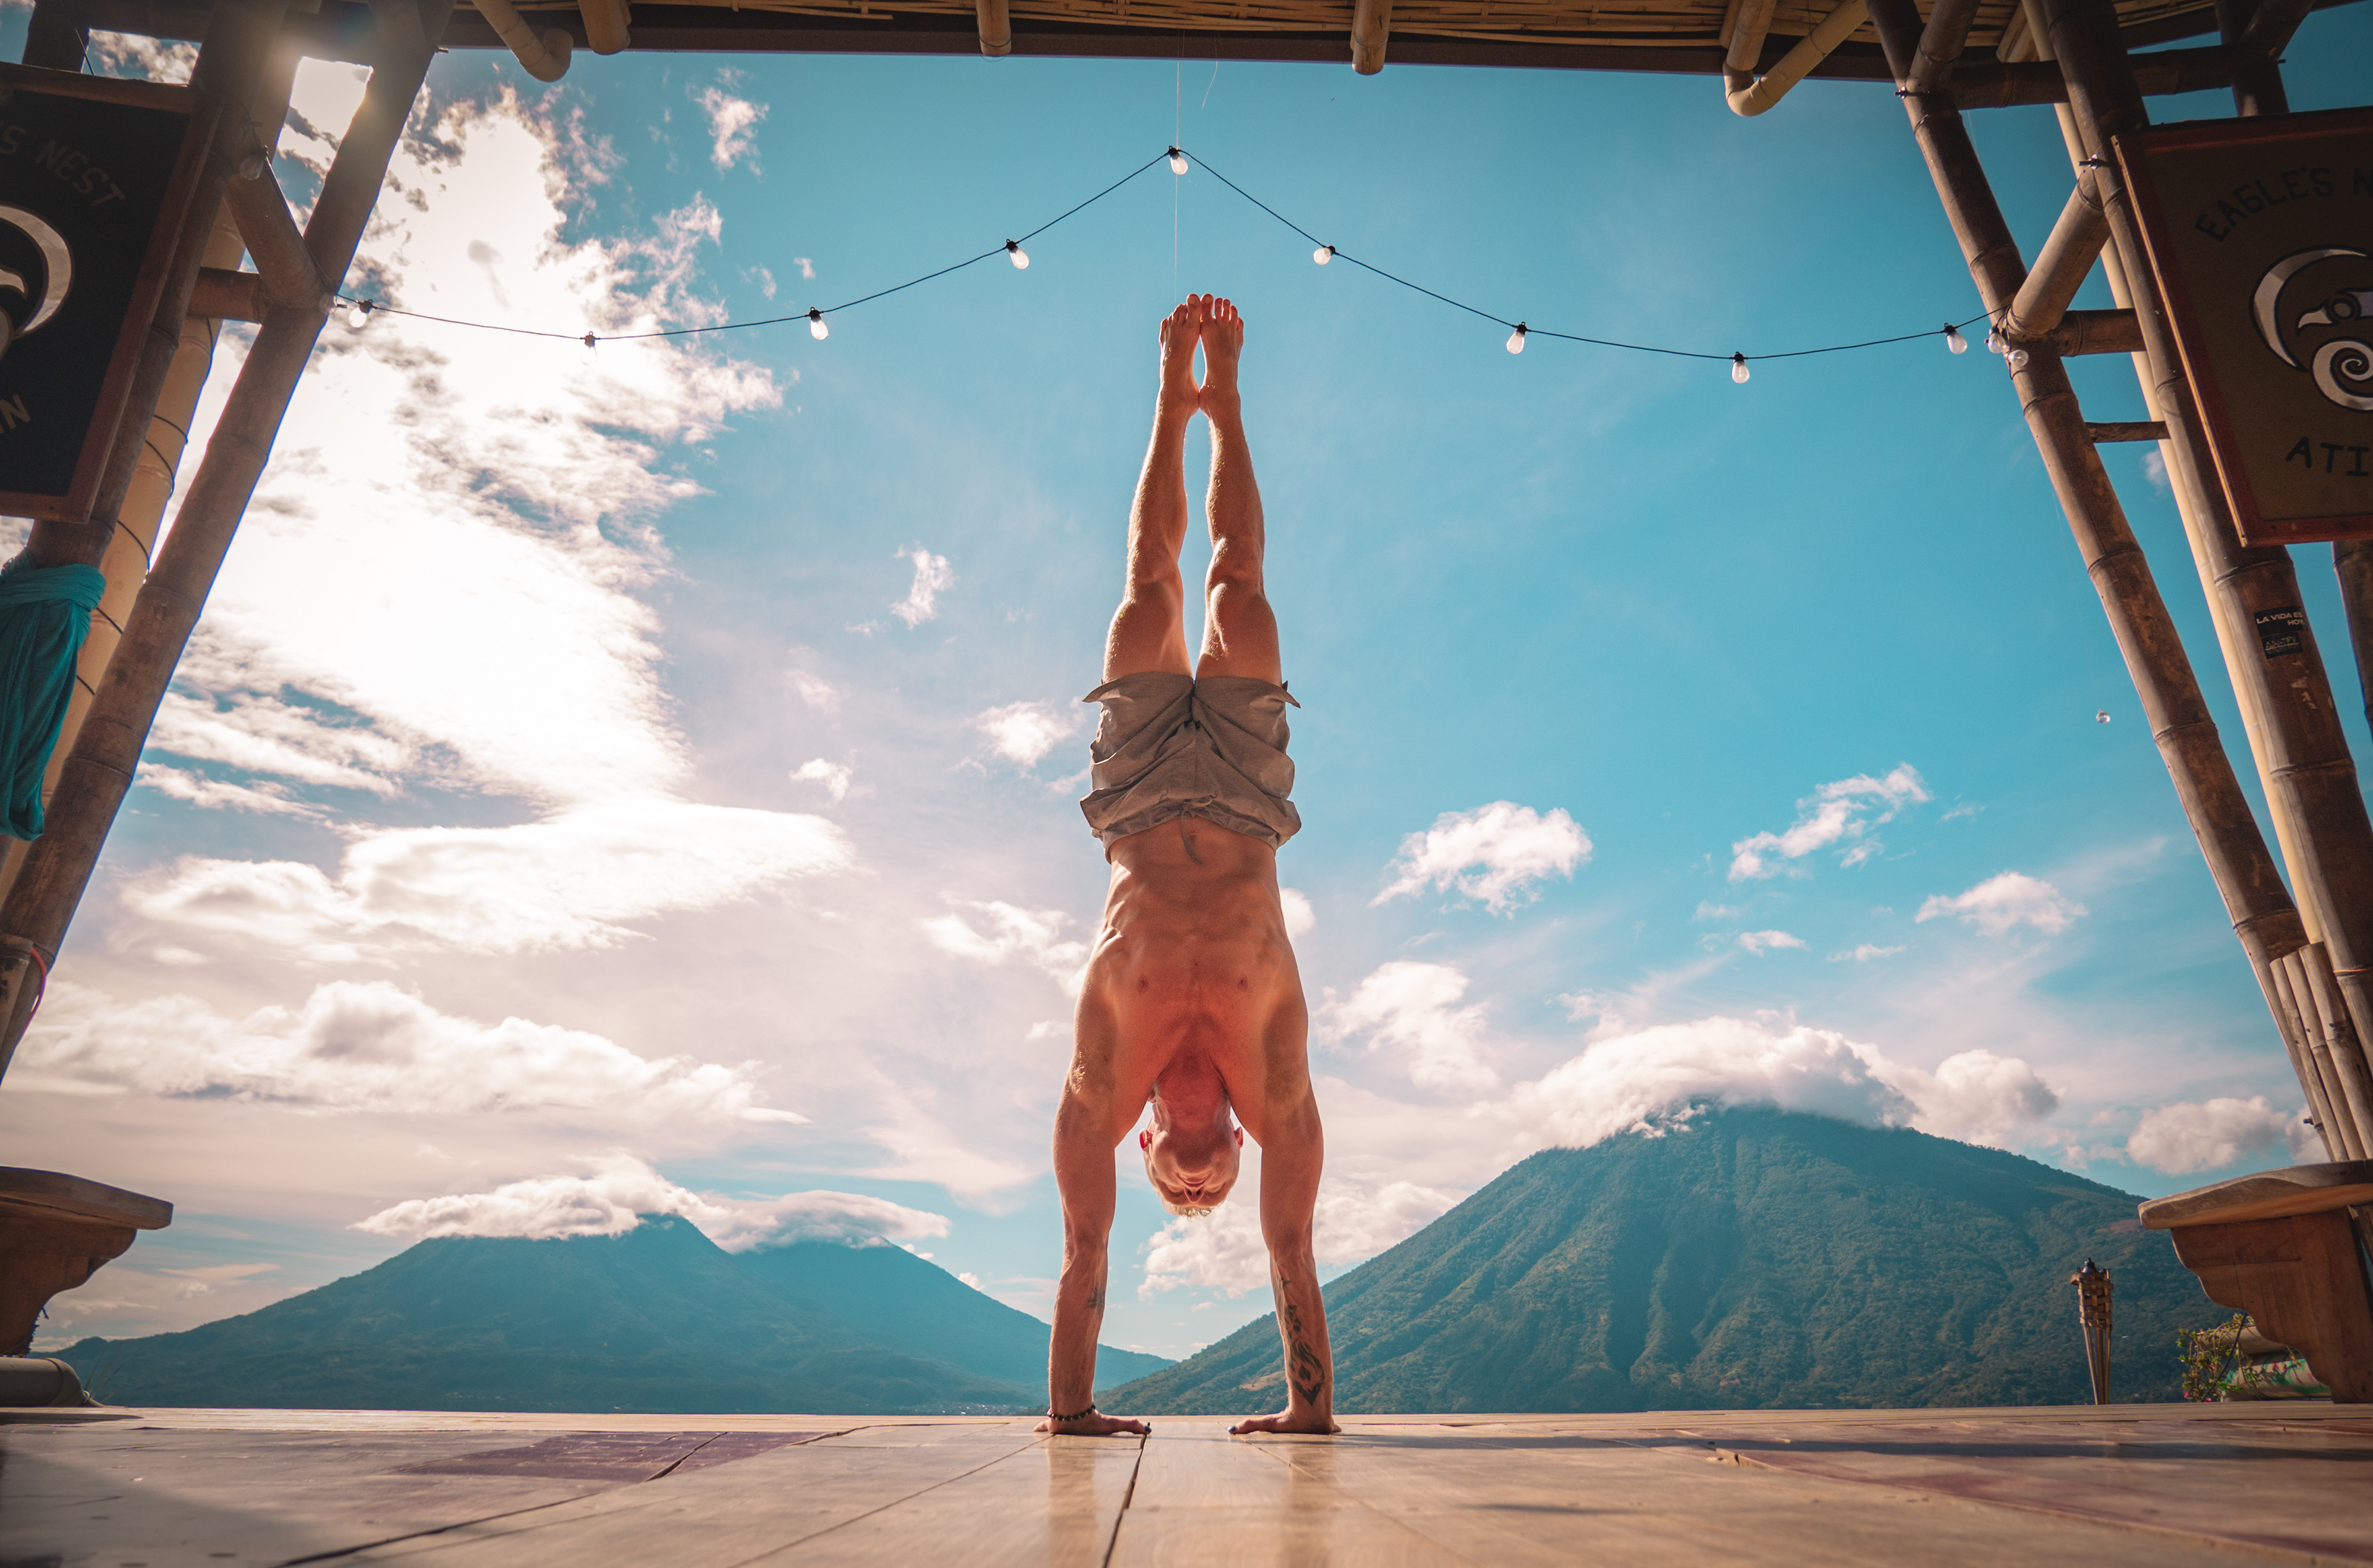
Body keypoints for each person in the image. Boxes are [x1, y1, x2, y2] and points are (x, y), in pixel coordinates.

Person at [1038, 295, 1339, 1440]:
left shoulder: (1101, 1081)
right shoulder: (1279, 1088)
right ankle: (1230, 403)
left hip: (1142, 798)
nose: (1206, 1181)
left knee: (1148, 586)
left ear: (1151, 1139)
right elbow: (1295, 1243)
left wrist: (1071, 1412)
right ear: (1239, 1143)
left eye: (1185, 1182)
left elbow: (1081, 1245)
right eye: (1220, 1183)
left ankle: (1173, 398)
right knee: (1240, 585)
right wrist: (1311, 1413)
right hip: (1250, 806)